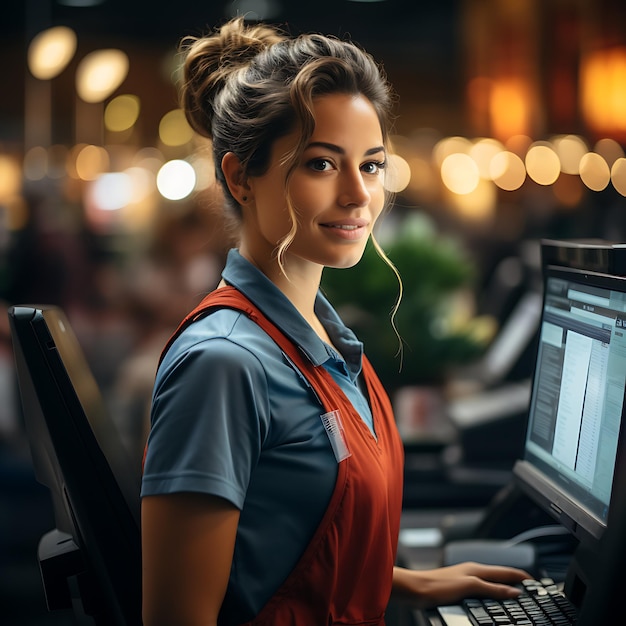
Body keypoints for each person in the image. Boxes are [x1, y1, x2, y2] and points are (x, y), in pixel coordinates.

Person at [140, 17, 529, 626]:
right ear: (242, 177)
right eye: (322, 165)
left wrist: (404, 582)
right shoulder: (223, 364)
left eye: (370, 166)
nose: (357, 195)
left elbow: (277, 547)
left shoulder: (322, 338)